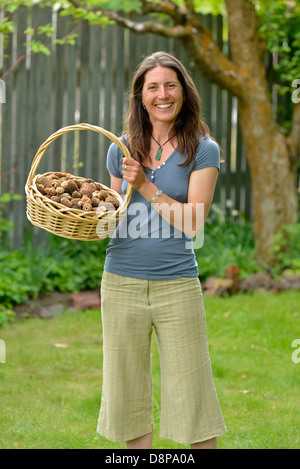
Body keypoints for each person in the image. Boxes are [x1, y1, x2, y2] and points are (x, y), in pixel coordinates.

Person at [97, 51, 227, 449]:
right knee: (126, 395)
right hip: (120, 283)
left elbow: (192, 221)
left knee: (193, 394)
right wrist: (95, 210)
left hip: (177, 285)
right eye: (152, 87)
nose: (162, 94)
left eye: (170, 85)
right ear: (140, 96)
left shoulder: (204, 150)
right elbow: (111, 219)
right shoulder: (119, 148)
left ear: (184, 93)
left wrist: (146, 186)